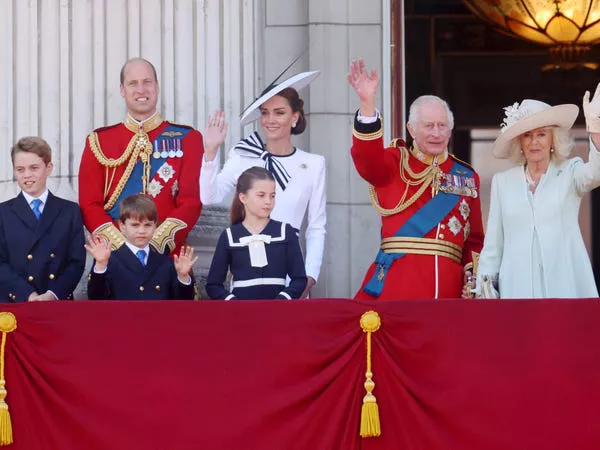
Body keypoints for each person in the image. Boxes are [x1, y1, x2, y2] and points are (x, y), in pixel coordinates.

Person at [347, 58, 484, 300]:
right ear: (411, 129)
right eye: (428, 125)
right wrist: (367, 104)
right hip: (397, 286)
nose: (436, 133)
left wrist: (471, 279)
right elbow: (367, 159)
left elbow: (474, 240)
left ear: (450, 131)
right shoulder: (394, 163)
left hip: (448, 291)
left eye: (442, 126)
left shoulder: (466, 176)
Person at [200, 70, 325, 298]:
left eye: (279, 113)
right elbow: (209, 197)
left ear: (294, 117)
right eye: (265, 113)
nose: (270, 120)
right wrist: (210, 153)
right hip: (247, 270)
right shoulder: (244, 154)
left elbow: (316, 226)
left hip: (290, 271)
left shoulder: (314, 164)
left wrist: (309, 276)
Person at [476, 86, 600, 298]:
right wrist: (484, 287)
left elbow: (596, 174)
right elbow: (493, 245)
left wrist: (596, 131)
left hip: (564, 284)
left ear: (553, 140)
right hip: (517, 288)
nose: (534, 142)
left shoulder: (570, 172)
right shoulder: (502, 183)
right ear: (520, 142)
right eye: (527, 135)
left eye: (541, 134)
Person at [78, 57, 203, 256]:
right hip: (115, 258)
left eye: (147, 82)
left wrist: (155, 245)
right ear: (122, 90)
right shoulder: (98, 141)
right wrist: (123, 247)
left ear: (157, 86)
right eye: (132, 83)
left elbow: (191, 203)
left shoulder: (188, 139)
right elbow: (89, 204)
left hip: (168, 259)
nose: (141, 90)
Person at [0, 137, 86, 302]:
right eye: (20, 169)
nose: (27, 175)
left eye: (34, 168)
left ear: (48, 168)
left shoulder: (69, 211)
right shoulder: (2, 212)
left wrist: (53, 295)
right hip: (15, 303)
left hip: (57, 302)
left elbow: (76, 262)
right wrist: (28, 294)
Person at [205, 167, 307, 300]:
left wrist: (282, 300)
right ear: (243, 197)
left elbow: (299, 279)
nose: (268, 201)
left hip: (278, 314)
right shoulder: (229, 236)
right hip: (241, 316)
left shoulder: (285, 232)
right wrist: (233, 303)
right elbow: (213, 285)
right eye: (261, 195)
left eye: (272, 196)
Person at [85, 194, 197, 300]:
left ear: (155, 226)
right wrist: (100, 266)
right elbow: (96, 299)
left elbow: (182, 306)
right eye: (135, 225)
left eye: (147, 225)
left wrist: (183, 277)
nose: (142, 231)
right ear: (122, 226)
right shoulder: (109, 261)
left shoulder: (166, 263)